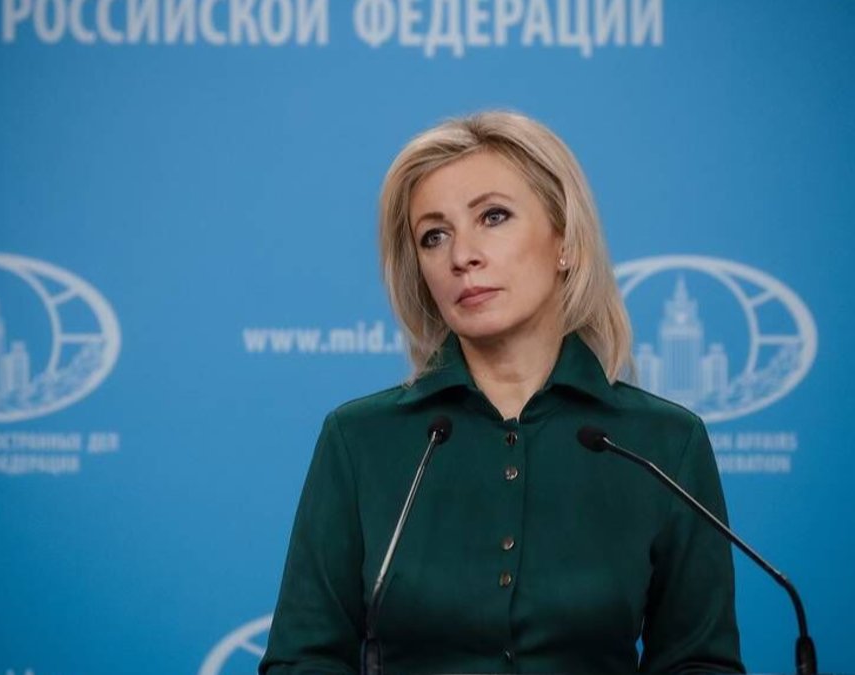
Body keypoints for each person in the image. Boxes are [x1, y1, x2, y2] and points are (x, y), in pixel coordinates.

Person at [259, 111, 744, 674]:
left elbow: (700, 664)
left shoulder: (665, 442)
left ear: (566, 242)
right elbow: (302, 659)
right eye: (434, 236)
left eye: (493, 217)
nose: (461, 255)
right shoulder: (359, 440)